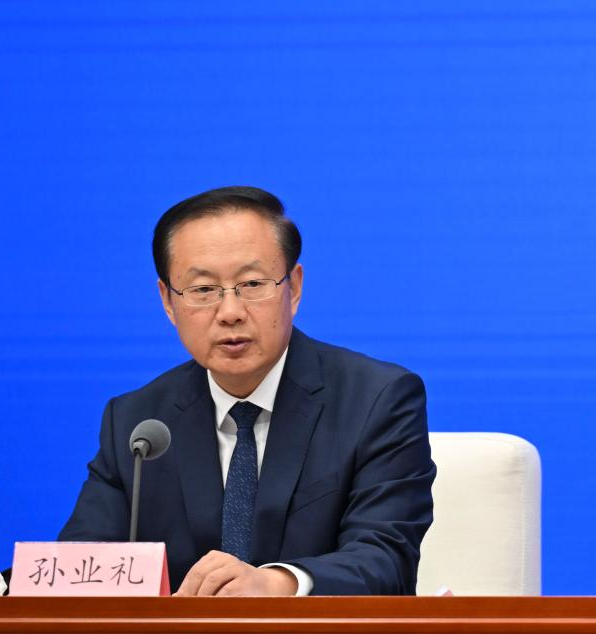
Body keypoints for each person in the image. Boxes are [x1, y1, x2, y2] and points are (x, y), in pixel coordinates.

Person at [59, 186, 435, 596]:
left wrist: (276, 583)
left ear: (294, 287)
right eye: (203, 290)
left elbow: (386, 560)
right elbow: (80, 568)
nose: (230, 312)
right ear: (168, 301)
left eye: (252, 283)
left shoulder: (376, 400)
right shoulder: (138, 423)